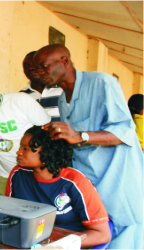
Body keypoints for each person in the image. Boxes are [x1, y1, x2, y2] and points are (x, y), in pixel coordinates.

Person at [34, 44, 143, 249]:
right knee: (101, 236)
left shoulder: (102, 83)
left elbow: (124, 132)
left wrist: (79, 135)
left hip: (118, 180)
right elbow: (73, 140)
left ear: (64, 61)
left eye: (43, 66)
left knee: (126, 239)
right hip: (91, 184)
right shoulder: (61, 99)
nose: (39, 73)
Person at [6, 126, 111, 248]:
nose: (19, 152)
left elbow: (102, 234)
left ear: (46, 152)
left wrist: (58, 246)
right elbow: (10, 215)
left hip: (67, 244)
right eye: (20, 147)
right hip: (33, 241)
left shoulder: (75, 182)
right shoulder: (18, 174)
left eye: (26, 148)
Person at [20, 51, 63, 121]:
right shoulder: (22, 96)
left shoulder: (62, 89)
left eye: (34, 64)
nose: (31, 68)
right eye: (26, 66)